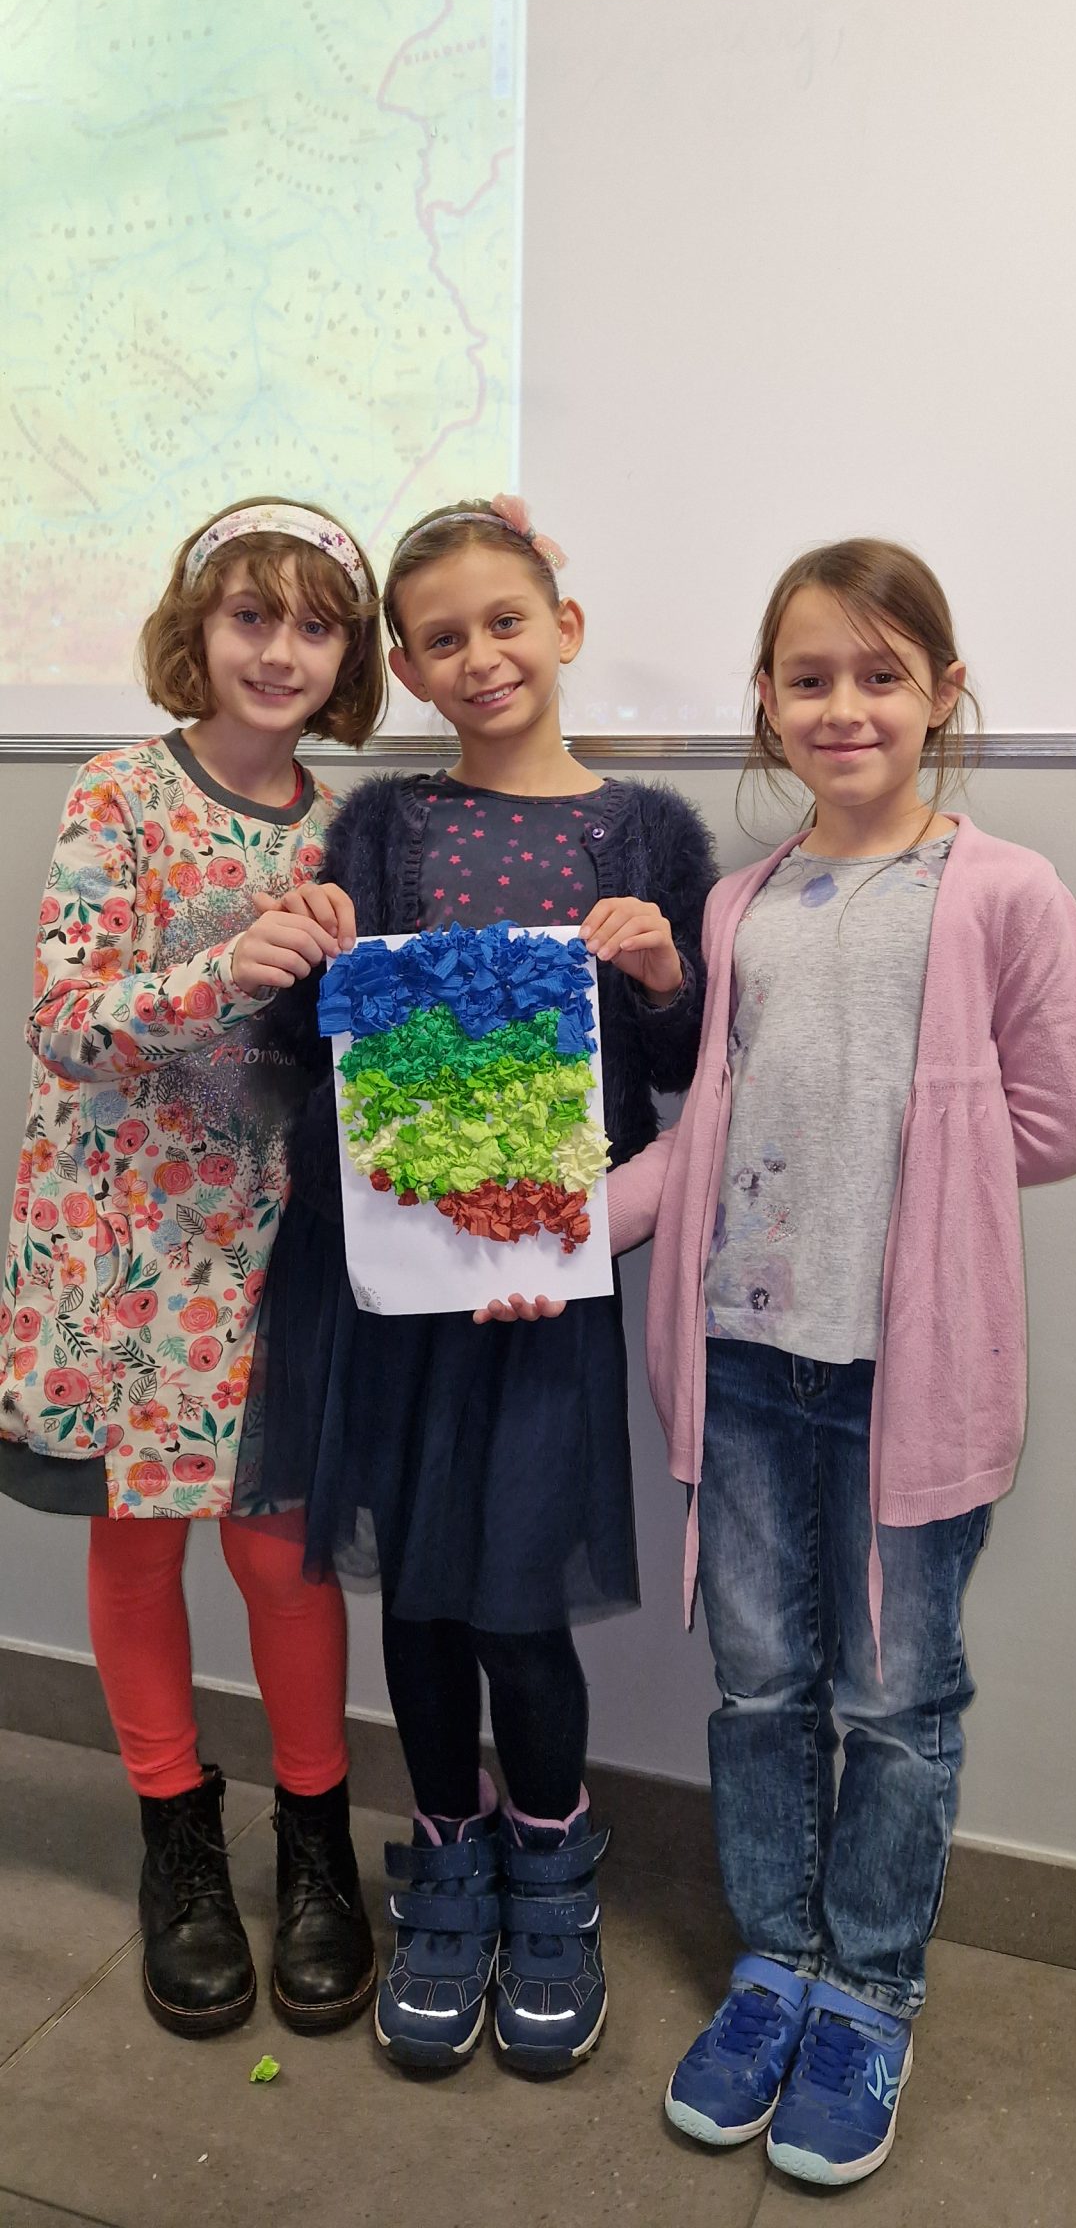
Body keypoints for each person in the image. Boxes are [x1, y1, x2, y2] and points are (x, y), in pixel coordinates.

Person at [605, 537, 1076, 2186]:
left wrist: (904, 1178)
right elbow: (704, 1132)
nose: (844, 707)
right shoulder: (738, 906)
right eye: (809, 677)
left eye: (882, 675)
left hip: (909, 1373)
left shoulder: (1006, 891)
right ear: (765, 699)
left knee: (896, 1700)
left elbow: (1052, 1127)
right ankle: (777, 1966)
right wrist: (555, 1236)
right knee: (761, 1687)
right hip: (745, 1362)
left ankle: (870, 1989)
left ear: (942, 694)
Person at [250, 494, 716, 2075]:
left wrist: (660, 972)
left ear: (563, 628)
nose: (481, 655)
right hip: (399, 1291)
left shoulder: (648, 835)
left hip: (545, 1296)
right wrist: (307, 954)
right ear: (407, 668)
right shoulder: (381, 831)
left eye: (506, 621)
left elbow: (680, 1071)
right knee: (426, 1604)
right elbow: (310, 1054)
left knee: (520, 1605)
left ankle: (552, 1870)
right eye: (442, 638)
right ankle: (446, 1864)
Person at [0, 499, 387, 2039]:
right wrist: (222, 970)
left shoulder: (350, 830)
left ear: (350, 655)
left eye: (314, 625)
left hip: (275, 1243)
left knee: (281, 1557)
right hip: (125, 1246)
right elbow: (65, 1024)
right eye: (250, 616)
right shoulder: (117, 791)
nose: (280, 650)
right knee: (139, 1542)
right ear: (197, 629)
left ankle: (315, 1842)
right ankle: (176, 1836)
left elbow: (362, 1055)